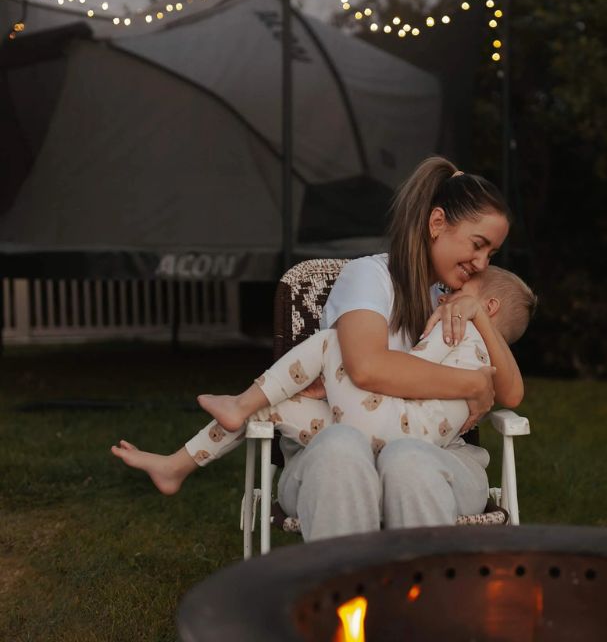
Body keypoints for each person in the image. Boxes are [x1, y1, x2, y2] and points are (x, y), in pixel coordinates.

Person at [117, 156, 523, 540]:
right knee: (342, 447)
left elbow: (509, 394)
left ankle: (421, 608)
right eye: (478, 244)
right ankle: (346, 604)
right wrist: (470, 384)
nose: (483, 263)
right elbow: (366, 368)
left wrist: (480, 317)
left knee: (408, 459)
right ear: (437, 223)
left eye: (492, 253)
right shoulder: (371, 277)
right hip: (333, 446)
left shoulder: (457, 298)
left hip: (438, 459)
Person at [111, 265, 535, 492]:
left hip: (397, 434)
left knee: (335, 342)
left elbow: (409, 373)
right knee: (272, 405)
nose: (446, 294)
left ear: (489, 306)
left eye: (463, 289)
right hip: (390, 436)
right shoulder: (487, 359)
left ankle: (240, 402)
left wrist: (337, 376)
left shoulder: (456, 327)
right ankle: (177, 466)